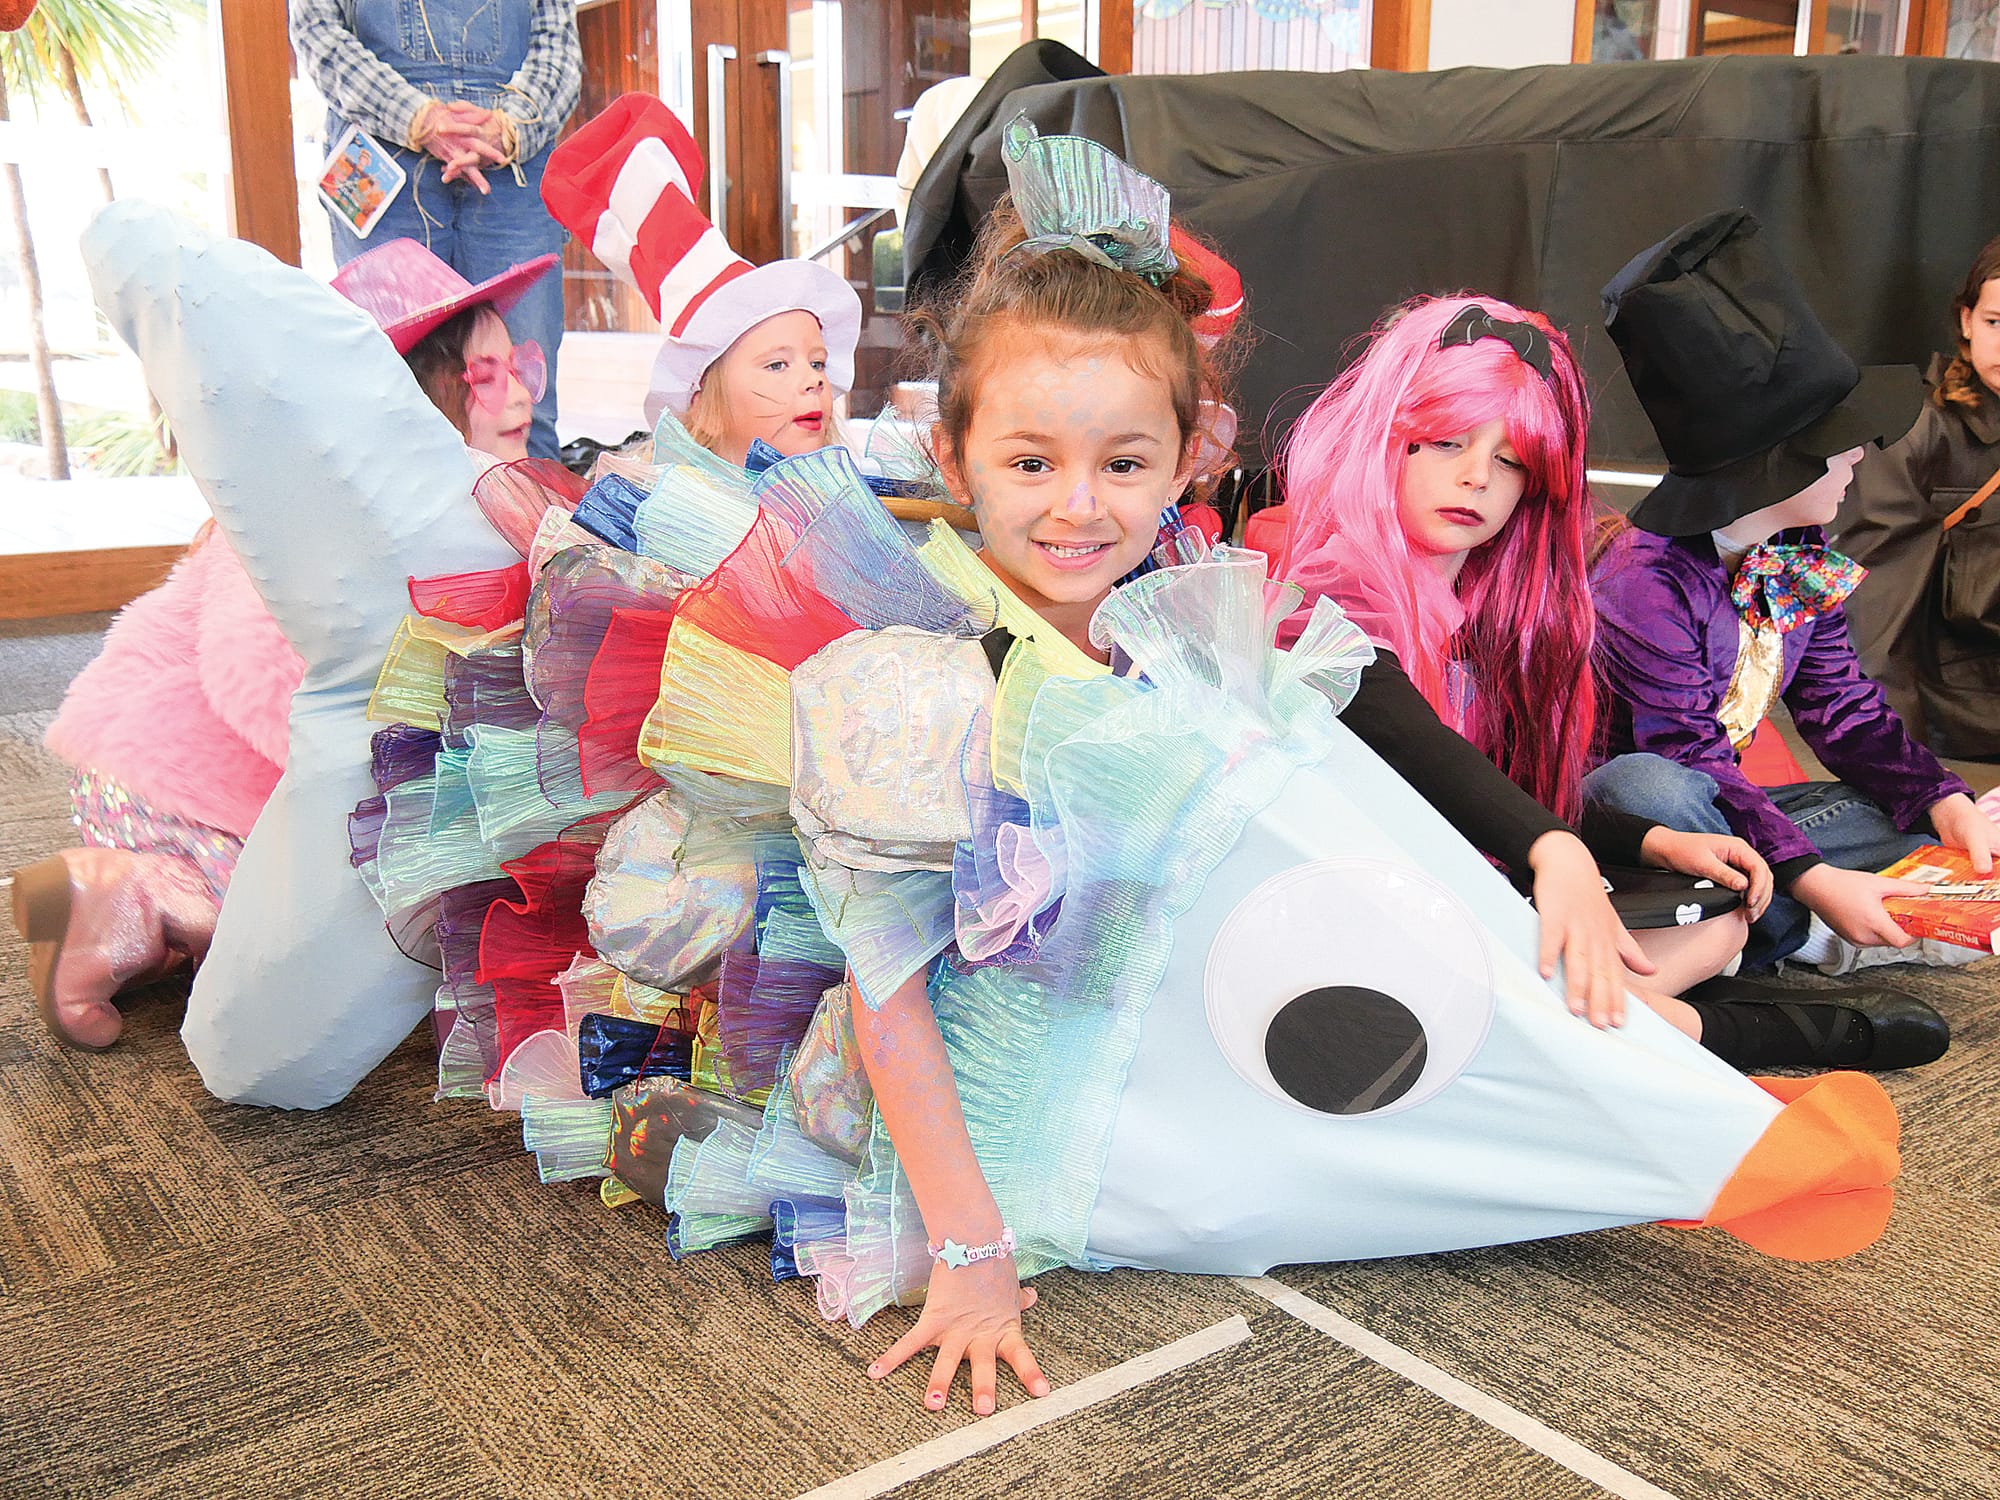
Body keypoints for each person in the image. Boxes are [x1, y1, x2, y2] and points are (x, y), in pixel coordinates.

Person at [1276, 292, 1941, 1070]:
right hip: (1374, 918)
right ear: (1384, 440)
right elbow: (1420, 750)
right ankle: (1724, 1031)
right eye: (1442, 440)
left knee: (1716, 911)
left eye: (1512, 459)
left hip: (1502, 881)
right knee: (1651, 821)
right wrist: (1558, 848)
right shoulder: (1323, 604)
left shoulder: (1497, 613)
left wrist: (1651, 843)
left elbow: (1508, 783)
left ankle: (1593, 1009)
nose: (1475, 479)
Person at [9, 240, 559, 1053]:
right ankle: (127, 893)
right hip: (171, 793)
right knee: (349, 935)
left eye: (519, 365)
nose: (516, 392)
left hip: (214, 792)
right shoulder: (305, 526)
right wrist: (401, 781)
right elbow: (252, 674)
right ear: (403, 404)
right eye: (483, 375)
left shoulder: (446, 515)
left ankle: (156, 912)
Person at [1589, 208, 1998, 985]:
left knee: (1894, 814)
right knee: (1647, 784)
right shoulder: (1643, 579)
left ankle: (1795, 909)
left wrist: (1941, 798)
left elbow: (1843, 711)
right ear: (1776, 465)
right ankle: (1804, 931)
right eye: (1837, 439)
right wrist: (1812, 876)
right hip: (1636, 830)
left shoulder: (1800, 554)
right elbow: (1686, 757)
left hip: (1737, 821)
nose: (1861, 453)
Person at [290, 0, 581, 460]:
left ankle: (531, 527)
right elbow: (317, 34)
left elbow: (558, 45)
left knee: (526, 399)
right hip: (379, 167)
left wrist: (509, 127)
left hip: (513, 166)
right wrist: (417, 118)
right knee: (391, 399)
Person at [539, 93, 862, 465]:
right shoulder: (677, 519)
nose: (815, 381)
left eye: (818, 363)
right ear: (703, 406)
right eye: (777, 365)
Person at [1835, 232, 2000, 759]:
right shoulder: (1919, 428)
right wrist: (1903, 771)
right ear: (1967, 321)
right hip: (1961, 718)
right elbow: (1877, 611)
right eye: (1998, 323)